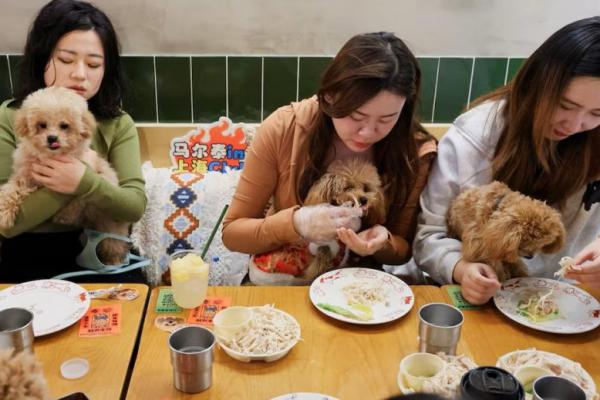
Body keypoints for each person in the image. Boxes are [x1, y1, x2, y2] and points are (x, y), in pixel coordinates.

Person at [411, 17, 600, 304]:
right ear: (537, 84)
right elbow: (429, 236)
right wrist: (461, 269)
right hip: (478, 301)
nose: (575, 124)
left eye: (596, 114)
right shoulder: (477, 135)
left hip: (561, 301)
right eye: (565, 105)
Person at [222, 32, 437, 283]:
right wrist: (297, 223)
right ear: (328, 97)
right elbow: (232, 233)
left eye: (387, 119)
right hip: (281, 281)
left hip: (359, 287)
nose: (368, 132)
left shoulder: (414, 151)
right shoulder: (284, 129)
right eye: (356, 116)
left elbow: (403, 251)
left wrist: (383, 242)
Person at [0, 0, 146, 282]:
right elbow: (7, 225)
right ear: (43, 58)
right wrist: (69, 185)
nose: (80, 74)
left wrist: (85, 181)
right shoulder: (10, 117)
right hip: (26, 252)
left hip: (100, 246)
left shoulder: (117, 123)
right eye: (66, 60)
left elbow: (134, 206)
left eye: (94, 64)